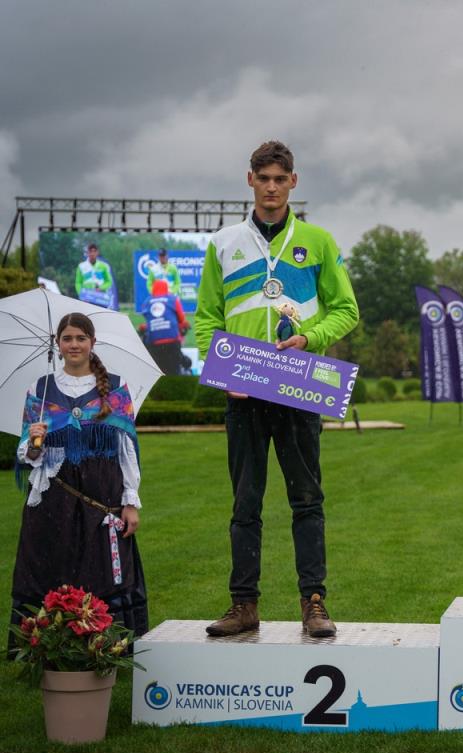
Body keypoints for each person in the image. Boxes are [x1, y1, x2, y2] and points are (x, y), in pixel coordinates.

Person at [194, 140, 359, 638]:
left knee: (306, 500)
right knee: (245, 504)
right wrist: (223, 372)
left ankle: (314, 603)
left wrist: (311, 338)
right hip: (243, 395)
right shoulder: (223, 243)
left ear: (293, 182)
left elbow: (346, 310)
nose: (271, 187)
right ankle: (243, 604)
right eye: (263, 178)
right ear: (250, 180)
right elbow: (206, 319)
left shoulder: (318, 242)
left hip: (298, 390)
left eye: (279, 179)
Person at [9, 313, 148, 649]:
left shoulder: (116, 387)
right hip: (54, 498)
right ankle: (52, 647)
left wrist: (130, 501)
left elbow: (126, 448)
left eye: (80, 338)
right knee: (52, 567)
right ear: (57, 344)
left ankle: (105, 648)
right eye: (67, 338)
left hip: (102, 493)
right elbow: (29, 456)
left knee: (103, 570)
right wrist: (35, 440)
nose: (74, 344)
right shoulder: (40, 390)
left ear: (92, 342)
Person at [139, 279, 189, 375]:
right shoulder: (173, 299)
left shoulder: (147, 302)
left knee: (159, 373)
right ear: (166, 288)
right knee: (174, 373)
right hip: (172, 342)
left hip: (154, 344)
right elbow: (182, 319)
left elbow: (147, 317)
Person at [75, 243, 116, 310]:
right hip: (86, 298)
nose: (92, 254)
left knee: (100, 314)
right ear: (87, 253)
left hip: (100, 297)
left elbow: (109, 281)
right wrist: (81, 295)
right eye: (90, 251)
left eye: (94, 251)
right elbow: (78, 282)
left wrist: (101, 288)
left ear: (97, 252)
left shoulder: (103, 266)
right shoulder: (81, 266)